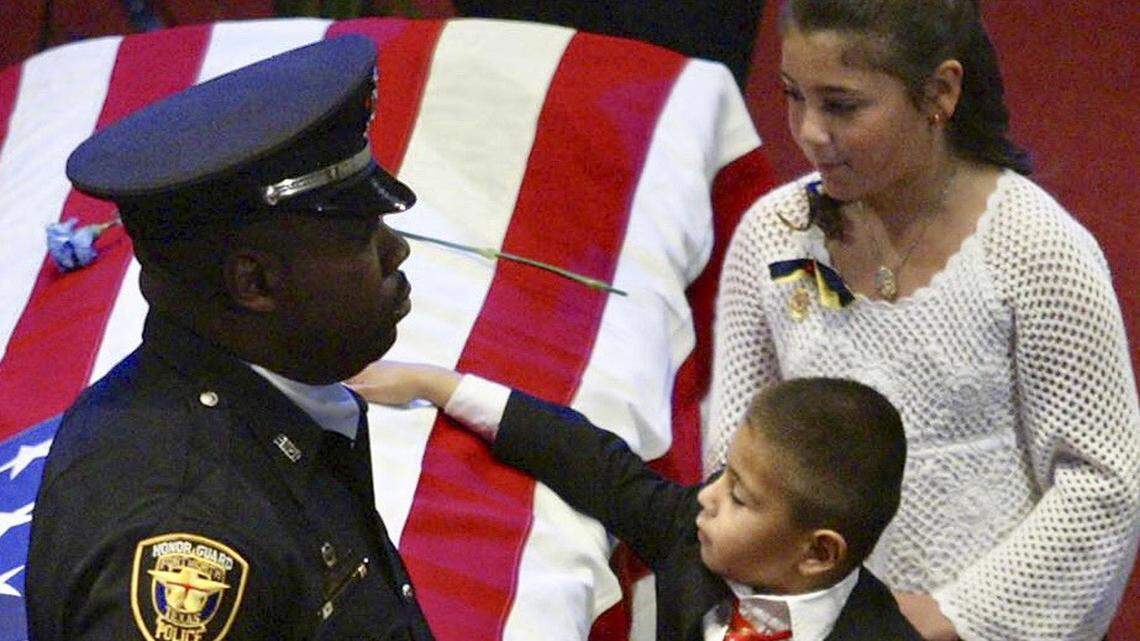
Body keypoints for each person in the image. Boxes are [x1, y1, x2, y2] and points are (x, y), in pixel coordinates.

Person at [705, 1, 1140, 640]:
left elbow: (1104, 485)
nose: (808, 131)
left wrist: (946, 619)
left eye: (841, 105)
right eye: (794, 96)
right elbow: (732, 460)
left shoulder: (1037, 251)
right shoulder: (774, 237)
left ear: (939, 92)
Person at [25, 36, 435, 641]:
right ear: (255, 281)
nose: (395, 250)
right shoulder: (189, 537)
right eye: (359, 234)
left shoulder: (270, 397)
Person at [347, 361, 923, 640]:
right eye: (722, 474)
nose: (707, 499)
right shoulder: (693, 533)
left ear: (818, 553)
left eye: (740, 498)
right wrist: (440, 386)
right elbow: (593, 464)